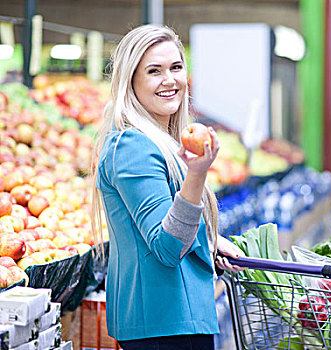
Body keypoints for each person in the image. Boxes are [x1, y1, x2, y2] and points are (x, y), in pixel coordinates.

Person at [90, 25, 245, 350]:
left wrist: (208, 239)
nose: (170, 79)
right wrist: (197, 175)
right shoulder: (132, 147)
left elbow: (165, 221)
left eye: (176, 67)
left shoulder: (160, 142)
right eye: (154, 71)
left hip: (173, 320)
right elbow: (166, 246)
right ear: (131, 81)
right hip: (163, 326)